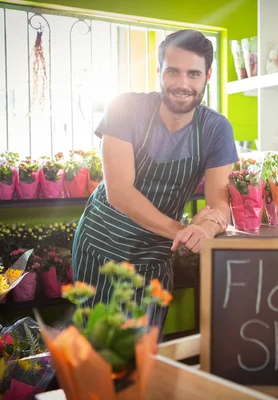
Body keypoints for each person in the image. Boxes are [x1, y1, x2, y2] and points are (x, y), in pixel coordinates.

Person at [71, 29, 238, 330]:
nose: (182, 84)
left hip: (156, 253)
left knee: (144, 353)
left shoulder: (216, 129)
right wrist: (184, 231)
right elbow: (119, 192)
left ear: (207, 76)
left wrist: (208, 227)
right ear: (159, 69)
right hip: (102, 246)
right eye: (173, 71)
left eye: (193, 74)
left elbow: (219, 205)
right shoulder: (125, 108)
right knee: (97, 351)